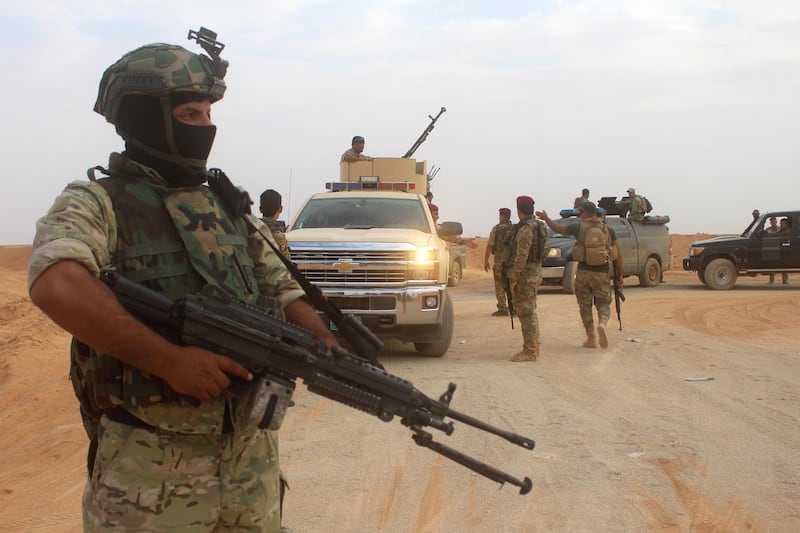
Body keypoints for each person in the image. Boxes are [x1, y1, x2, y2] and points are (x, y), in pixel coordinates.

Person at [28, 38, 336, 531]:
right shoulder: (97, 202)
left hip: (249, 466)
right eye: (191, 114)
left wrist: (319, 341)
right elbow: (57, 283)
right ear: (147, 117)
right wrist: (168, 361)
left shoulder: (227, 209)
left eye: (208, 115)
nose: (206, 128)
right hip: (149, 474)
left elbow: (282, 287)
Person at [537, 201, 623, 350]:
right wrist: (619, 277)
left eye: (581, 212)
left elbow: (559, 229)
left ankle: (591, 338)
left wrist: (546, 218)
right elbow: (618, 255)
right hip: (602, 273)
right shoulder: (608, 229)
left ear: (586, 212)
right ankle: (602, 323)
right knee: (603, 303)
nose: (580, 215)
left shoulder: (578, 228)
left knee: (585, 306)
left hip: (583, 272)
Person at [506, 196, 549, 362]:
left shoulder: (525, 229)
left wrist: (514, 277)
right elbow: (546, 248)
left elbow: (521, 255)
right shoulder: (540, 226)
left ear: (519, 211)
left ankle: (530, 351)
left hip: (525, 275)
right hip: (536, 270)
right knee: (530, 310)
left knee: (526, 312)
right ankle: (534, 346)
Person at [484, 207, 515, 316]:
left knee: (499, 283)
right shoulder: (515, 228)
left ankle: (502, 308)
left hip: (500, 260)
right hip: (512, 261)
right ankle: (514, 308)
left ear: (501, 216)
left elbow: (490, 245)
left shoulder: (497, 229)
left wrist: (486, 260)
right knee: (512, 283)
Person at [260, 189, 290, 257]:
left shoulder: (251, 231)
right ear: (281, 209)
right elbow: (285, 262)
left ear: (260, 209)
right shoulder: (278, 237)